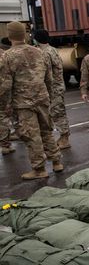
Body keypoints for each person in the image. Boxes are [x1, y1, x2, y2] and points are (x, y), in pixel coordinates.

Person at [0, 21, 62, 179]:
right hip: (42, 98)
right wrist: (47, 94)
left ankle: (39, 169)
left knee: (31, 135)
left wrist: (4, 104)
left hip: (23, 103)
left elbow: (5, 85)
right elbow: (49, 78)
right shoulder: (39, 52)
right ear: (24, 34)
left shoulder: (7, 56)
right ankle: (56, 162)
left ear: (10, 35)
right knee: (47, 130)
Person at [33, 29, 71, 150]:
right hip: (57, 86)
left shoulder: (45, 53)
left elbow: (47, 74)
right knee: (58, 111)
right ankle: (64, 136)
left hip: (53, 88)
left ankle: (64, 138)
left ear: (38, 39)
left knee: (57, 113)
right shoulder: (52, 49)